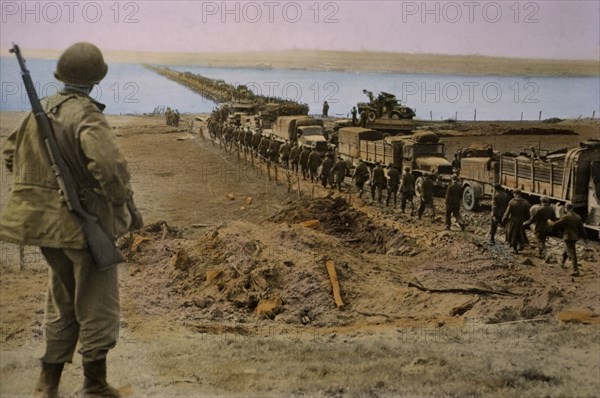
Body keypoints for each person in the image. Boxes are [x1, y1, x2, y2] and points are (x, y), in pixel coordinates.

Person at [0, 42, 142, 397]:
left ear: (62, 76)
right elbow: (110, 170)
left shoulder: (41, 109)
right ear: (95, 80)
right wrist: (113, 203)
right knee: (97, 305)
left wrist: (52, 189)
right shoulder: (86, 114)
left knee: (61, 301)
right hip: (84, 227)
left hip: (49, 231)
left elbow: (9, 154)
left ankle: (47, 385)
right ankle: (95, 386)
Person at [550, 202, 587, 276]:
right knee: (566, 250)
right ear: (572, 208)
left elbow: (556, 224)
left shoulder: (566, 216)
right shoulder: (578, 217)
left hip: (568, 237)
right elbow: (582, 229)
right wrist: (585, 238)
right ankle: (562, 263)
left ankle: (575, 270)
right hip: (575, 237)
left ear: (566, 209)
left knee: (572, 253)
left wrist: (550, 222)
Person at [501, 189, 531, 253]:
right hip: (522, 221)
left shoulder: (512, 202)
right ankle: (521, 245)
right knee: (520, 233)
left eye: (513, 194)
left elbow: (507, 213)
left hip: (513, 220)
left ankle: (515, 249)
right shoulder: (525, 202)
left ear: (515, 194)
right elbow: (528, 214)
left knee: (512, 234)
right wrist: (526, 220)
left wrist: (503, 220)